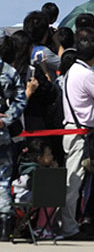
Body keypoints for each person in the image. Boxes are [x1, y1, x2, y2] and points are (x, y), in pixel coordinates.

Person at [59, 35, 94, 240]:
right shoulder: (86, 74)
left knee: (74, 180)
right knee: (74, 182)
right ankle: (69, 227)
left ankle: (69, 223)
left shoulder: (72, 70)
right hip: (80, 132)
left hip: (73, 130)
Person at [0, 49, 27, 239]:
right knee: (2, 180)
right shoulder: (9, 71)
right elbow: (21, 98)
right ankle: (4, 225)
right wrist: (7, 118)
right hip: (1, 131)